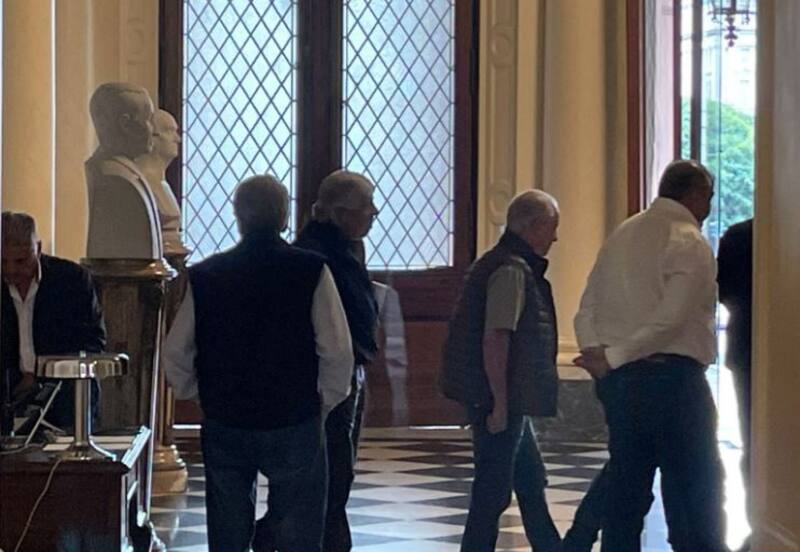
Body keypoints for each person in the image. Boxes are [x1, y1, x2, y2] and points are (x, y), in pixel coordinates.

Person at [163, 175, 354, 552]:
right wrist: (324, 401)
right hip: (293, 415)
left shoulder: (205, 276)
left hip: (226, 416)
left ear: (238, 216)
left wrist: (197, 393)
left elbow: (175, 352)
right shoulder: (310, 270)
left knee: (228, 526)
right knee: (297, 528)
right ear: (285, 219)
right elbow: (337, 349)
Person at [573, 160, 728, 551]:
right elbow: (670, 321)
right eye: (707, 198)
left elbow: (587, 303)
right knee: (696, 490)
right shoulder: (688, 239)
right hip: (673, 381)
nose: (708, 207)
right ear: (693, 195)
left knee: (627, 489)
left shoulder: (623, 233)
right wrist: (614, 358)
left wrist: (597, 353)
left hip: (621, 384)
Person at [255, 169, 380, 552]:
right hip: (325, 379)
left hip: (344, 372)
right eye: (365, 208)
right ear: (340, 213)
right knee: (327, 473)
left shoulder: (342, 248)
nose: (373, 213)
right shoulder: (316, 255)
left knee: (331, 473)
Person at [441, 190, 562, 552]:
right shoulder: (511, 270)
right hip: (500, 396)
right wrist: (499, 402)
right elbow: (496, 337)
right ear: (536, 226)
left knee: (529, 481)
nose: (555, 238)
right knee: (492, 492)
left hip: (507, 396)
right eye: (552, 228)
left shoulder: (500, 262)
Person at [1, 211, 106, 429]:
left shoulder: (72, 280)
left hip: (65, 394)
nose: (11, 270)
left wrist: (40, 376)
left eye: (21, 261)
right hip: (7, 394)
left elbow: (92, 343)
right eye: (3, 261)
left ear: (38, 249)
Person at [85, 82, 162, 260]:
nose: (154, 129)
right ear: (125, 124)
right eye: (149, 119)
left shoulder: (126, 172)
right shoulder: (114, 177)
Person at [717, 217, 753, 552]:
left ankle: (760, 521)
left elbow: (723, 292)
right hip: (750, 352)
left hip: (746, 350)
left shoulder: (738, 235)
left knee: (753, 443)